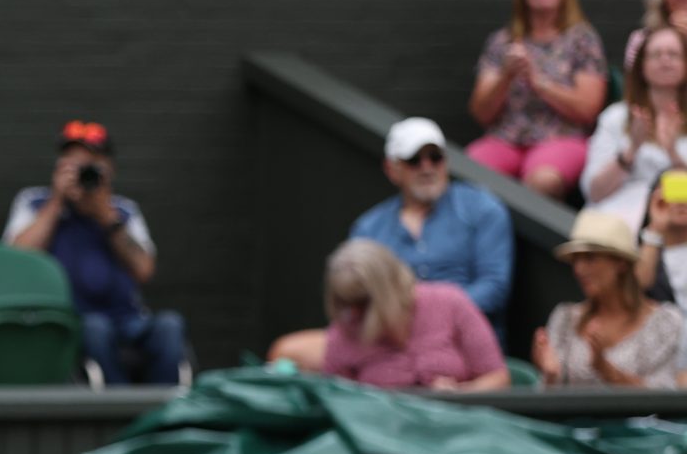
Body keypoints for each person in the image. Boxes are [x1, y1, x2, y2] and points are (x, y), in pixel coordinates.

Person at [268, 118, 513, 371]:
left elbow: (493, 288)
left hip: (460, 340)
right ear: (392, 169)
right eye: (414, 160)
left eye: (435, 157)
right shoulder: (369, 227)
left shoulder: (483, 209)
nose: (427, 167)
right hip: (385, 339)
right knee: (286, 352)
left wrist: (431, 319)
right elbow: (354, 298)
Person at [3, 120, 187, 385]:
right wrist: (57, 201)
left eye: (90, 165)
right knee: (95, 327)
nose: (82, 174)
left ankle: (164, 410)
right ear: (59, 167)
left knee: (171, 325)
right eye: (73, 164)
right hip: (72, 322)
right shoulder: (34, 203)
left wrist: (105, 217)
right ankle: (116, 409)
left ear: (109, 170)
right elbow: (16, 260)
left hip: (128, 319)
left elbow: (144, 270)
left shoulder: (123, 211)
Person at [465, 0, 607, 199]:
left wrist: (538, 82)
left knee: (542, 182)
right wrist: (506, 76)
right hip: (505, 138)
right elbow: (481, 114)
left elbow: (587, 111)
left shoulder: (582, 39)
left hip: (560, 138)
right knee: (467, 174)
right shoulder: (501, 41)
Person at [319, 240, 507, 392]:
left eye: (361, 302)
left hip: (455, 427)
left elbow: (498, 377)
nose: (352, 313)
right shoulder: (342, 333)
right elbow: (337, 402)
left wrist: (459, 393)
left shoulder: (450, 301)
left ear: (388, 291)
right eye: (345, 303)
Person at [532, 210, 685, 389]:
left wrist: (606, 370)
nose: (579, 270)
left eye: (590, 258)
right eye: (576, 260)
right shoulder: (565, 317)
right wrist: (549, 375)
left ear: (621, 263)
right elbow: (551, 400)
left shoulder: (666, 322)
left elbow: (661, 399)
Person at [581, 26, 687, 235]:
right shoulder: (616, 118)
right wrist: (631, 151)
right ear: (641, 66)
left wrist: (673, 155)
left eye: (673, 54)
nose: (665, 60)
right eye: (656, 55)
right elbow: (594, 192)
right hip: (618, 225)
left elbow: (682, 195)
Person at [634, 170, 687, 302]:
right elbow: (636, 288)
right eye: (673, 192)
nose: (681, 202)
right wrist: (655, 227)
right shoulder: (643, 248)